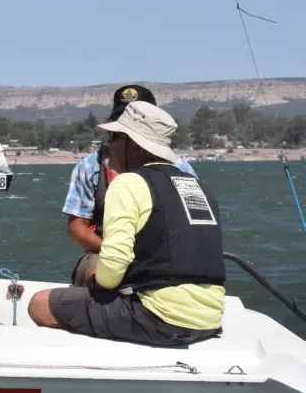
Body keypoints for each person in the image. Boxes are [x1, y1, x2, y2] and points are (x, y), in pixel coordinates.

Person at [29, 102, 225, 346]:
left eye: (116, 137)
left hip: (159, 320)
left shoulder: (128, 183)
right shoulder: (197, 186)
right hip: (210, 319)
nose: (109, 145)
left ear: (135, 145)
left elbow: (114, 266)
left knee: (40, 303)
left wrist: (96, 283)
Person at [63, 85, 196, 286]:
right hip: (104, 253)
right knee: (94, 270)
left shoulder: (181, 168)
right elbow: (76, 228)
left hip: (163, 256)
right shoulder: (90, 167)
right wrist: (118, 255)